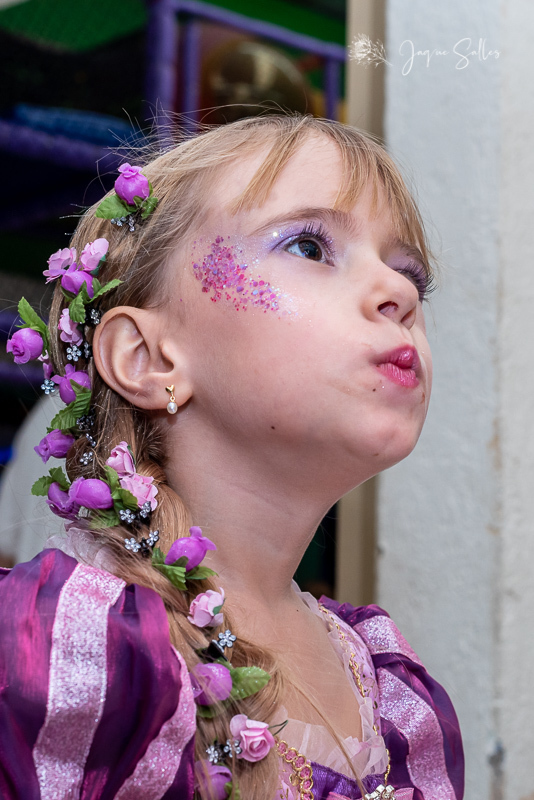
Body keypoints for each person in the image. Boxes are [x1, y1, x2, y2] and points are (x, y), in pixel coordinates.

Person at [0, 115, 464, 800]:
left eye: (410, 276)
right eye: (309, 245)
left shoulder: (394, 693)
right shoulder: (62, 651)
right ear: (149, 358)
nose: (397, 296)